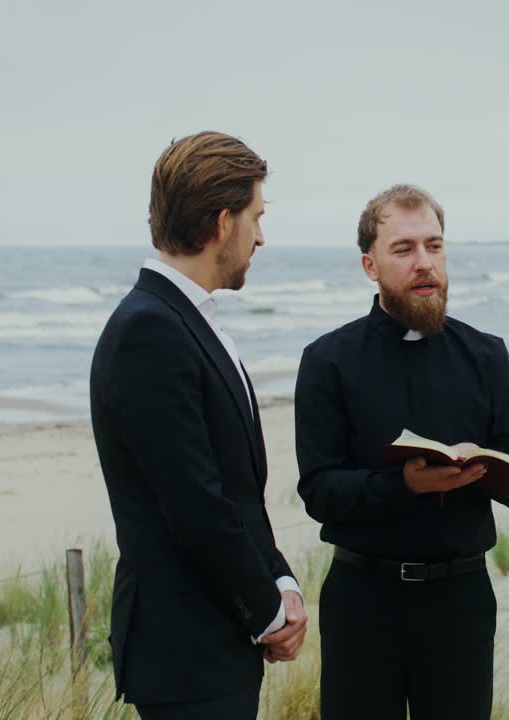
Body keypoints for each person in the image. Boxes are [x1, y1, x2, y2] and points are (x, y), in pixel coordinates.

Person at [293, 184, 509, 719]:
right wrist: (401, 485)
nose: (424, 263)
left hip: (460, 599)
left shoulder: (486, 356)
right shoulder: (327, 361)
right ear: (370, 264)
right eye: (404, 249)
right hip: (363, 599)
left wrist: (497, 471)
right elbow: (317, 491)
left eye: (434, 245)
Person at [89, 131, 307, 720]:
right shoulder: (149, 331)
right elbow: (194, 505)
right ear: (221, 221)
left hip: (218, 646)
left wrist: (282, 579)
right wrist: (267, 611)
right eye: (255, 218)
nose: (261, 236)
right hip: (184, 651)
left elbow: (236, 491)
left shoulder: (187, 320)